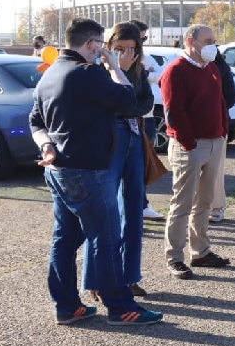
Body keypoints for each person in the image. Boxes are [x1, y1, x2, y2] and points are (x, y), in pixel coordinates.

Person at [30, 18, 163, 326]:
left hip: (59, 170)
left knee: (65, 238)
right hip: (88, 170)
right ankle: (120, 307)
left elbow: (35, 122)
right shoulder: (88, 73)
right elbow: (128, 98)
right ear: (91, 45)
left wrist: (45, 146)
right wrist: (116, 67)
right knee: (106, 238)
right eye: (101, 46)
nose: (102, 51)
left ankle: (66, 306)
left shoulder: (50, 75)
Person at [82, 22, 155, 301]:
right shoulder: (97, 72)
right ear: (108, 46)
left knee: (134, 210)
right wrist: (118, 72)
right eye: (119, 48)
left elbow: (146, 103)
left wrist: (127, 90)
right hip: (108, 141)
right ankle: (95, 280)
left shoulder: (140, 69)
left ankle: (129, 277)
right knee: (104, 212)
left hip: (134, 138)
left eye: (132, 49)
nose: (126, 53)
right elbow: (115, 104)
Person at [160, 24, 230, 280]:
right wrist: (188, 143)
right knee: (183, 203)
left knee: (205, 202)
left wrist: (222, 131)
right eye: (208, 40)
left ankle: (200, 251)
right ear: (191, 41)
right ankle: (174, 257)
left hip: (213, 142)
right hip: (189, 146)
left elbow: (220, 101)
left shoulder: (211, 68)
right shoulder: (175, 71)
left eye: (214, 40)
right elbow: (174, 112)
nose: (213, 44)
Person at [129, 20, 166, 222]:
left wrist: (147, 73)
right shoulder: (118, 60)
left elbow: (158, 74)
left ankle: (141, 205)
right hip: (130, 121)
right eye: (141, 36)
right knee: (133, 167)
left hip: (147, 118)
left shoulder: (147, 57)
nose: (143, 40)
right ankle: (137, 206)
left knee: (144, 165)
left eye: (144, 37)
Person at [210, 49, 235, 223]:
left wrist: (214, 108)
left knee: (216, 169)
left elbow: (230, 98)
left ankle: (216, 207)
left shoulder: (222, 69)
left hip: (217, 126)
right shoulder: (187, 67)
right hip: (193, 128)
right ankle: (197, 207)